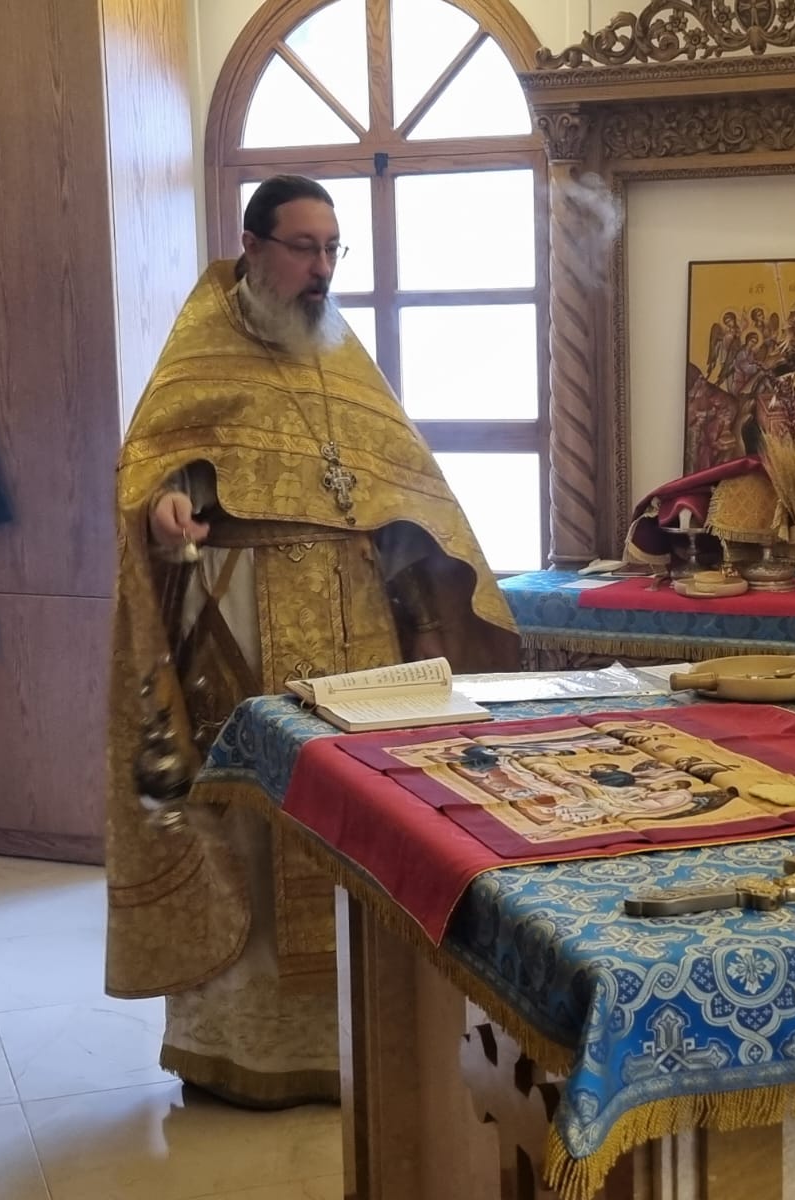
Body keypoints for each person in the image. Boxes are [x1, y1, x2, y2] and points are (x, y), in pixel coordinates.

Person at [105, 174, 519, 1109]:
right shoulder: (203, 347)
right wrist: (170, 508)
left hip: (356, 625)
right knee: (253, 821)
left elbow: (396, 482)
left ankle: (358, 1041)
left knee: (360, 815)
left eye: (334, 249)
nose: (323, 268)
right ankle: (244, 1048)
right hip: (242, 618)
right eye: (305, 248)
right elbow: (162, 471)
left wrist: (424, 566)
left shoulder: (338, 351)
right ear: (254, 248)